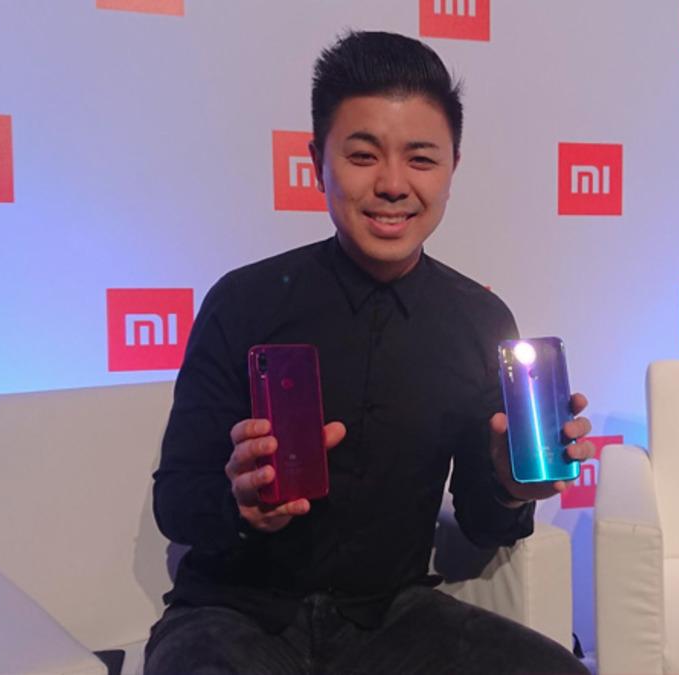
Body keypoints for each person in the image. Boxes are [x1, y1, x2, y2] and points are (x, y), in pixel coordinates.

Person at [145, 30, 595, 674]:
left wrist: (510, 485)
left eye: (421, 159)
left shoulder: (479, 320)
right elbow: (176, 501)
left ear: (453, 167)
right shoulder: (243, 301)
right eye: (362, 156)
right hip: (233, 613)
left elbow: (482, 524)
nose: (392, 184)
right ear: (317, 161)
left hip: (392, 619)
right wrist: (240, 504)